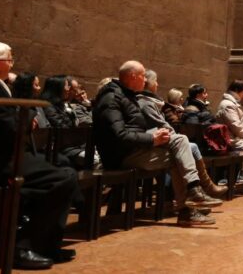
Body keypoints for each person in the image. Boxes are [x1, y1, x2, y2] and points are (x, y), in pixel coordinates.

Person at [0, 42, 79, 270]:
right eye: (10, 59)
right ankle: (20, 246)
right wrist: (27, 117)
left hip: (1, 157)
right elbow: (8, 128)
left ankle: (45, 244)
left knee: (68, 174)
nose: (12, 64)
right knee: (62, 179)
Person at [93, 61, 221, 227]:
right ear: (133, 76)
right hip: (120, 156)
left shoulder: (126, 95)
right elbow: (119, 135)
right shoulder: (112, 98)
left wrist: (156, 135)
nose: (145, 80)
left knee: (181, 141)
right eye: (143, 76)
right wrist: (152, 139)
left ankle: (193, 193)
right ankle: (188, 206)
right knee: (179, 154)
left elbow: (133, 128)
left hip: (134, 149)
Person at [135, 70, 227, 199]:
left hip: (156, 140)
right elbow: (162, 124)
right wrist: (174, 135)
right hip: (149, 143)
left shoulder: (151, 102)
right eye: (155, 81)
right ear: (148, 83)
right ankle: (193, 191)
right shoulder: (146, 103)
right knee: (186, 147)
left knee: (186, 147)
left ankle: (196, 191)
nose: (157, 84)